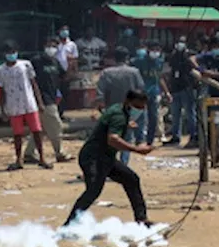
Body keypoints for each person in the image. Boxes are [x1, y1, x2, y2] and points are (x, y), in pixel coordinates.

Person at [64, 88, 153, 228]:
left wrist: (126, 124)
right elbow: (113, 139)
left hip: (106, 158)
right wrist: (136, 149)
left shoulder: (119, 109)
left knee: (131, 179)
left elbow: (107, 119)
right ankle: (68, 226)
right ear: (128, 102)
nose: (140, 110)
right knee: (93, 191)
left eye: (142, 107)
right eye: (138, 106)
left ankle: (141, 220)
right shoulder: (119, 115)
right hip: (93, 158)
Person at [0, 43, 51, 171]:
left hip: (29, 103)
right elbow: (1, 91)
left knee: (37, 131)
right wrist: (2, 109)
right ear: (4, 54)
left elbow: (34, 84)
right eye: (9, 52)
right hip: (13, 106)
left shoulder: (26, 65)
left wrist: (39, 102)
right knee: (17, 134)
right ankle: (19, 159)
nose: (11, 54)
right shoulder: (0, 70)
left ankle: (42, 158)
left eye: (13, 51)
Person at [25, 37, 71, 164]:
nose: (53, 48)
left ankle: (29, 153)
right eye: (51, 45)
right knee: (56, 126)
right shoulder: (36, 61)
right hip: (42, 99)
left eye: (55, 45)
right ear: (45, 45)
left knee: (40, 128)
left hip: (52, 97)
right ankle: (59, 152)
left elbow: (63, 77)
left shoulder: (55, 62)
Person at [96, 48, 145, 164]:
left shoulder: (106, 73)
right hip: (129, 109)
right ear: (127, 58)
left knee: (111, 138)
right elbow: (141, 89)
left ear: (114, 58)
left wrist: (101, 108)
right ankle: (123, 164)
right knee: (127, 138)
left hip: (112, 110)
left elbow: (100, 93)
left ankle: (110, 163)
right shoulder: (134, 72)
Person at [133, 39, 169, 145]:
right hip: (141, 92)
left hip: (154, 93)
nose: (156, 52)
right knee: (140, 117)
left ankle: (150, 140)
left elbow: (160, 77)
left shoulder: (159, 62)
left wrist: (166, 92)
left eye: (158, 50)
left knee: (153, 117)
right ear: (148, 50)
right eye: (154, 50)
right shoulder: (139, 61)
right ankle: (139, 139)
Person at [165, 36, 199, 147]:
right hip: (175, 88)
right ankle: (175, 137)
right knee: (175, 115)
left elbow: (195, 69)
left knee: (190, 114)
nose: (180, 44)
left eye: (182, 42)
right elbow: (170, 71)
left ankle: (193, 136)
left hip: (187, 88)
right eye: (178, 42)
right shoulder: (173, 56)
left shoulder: (190, 55)